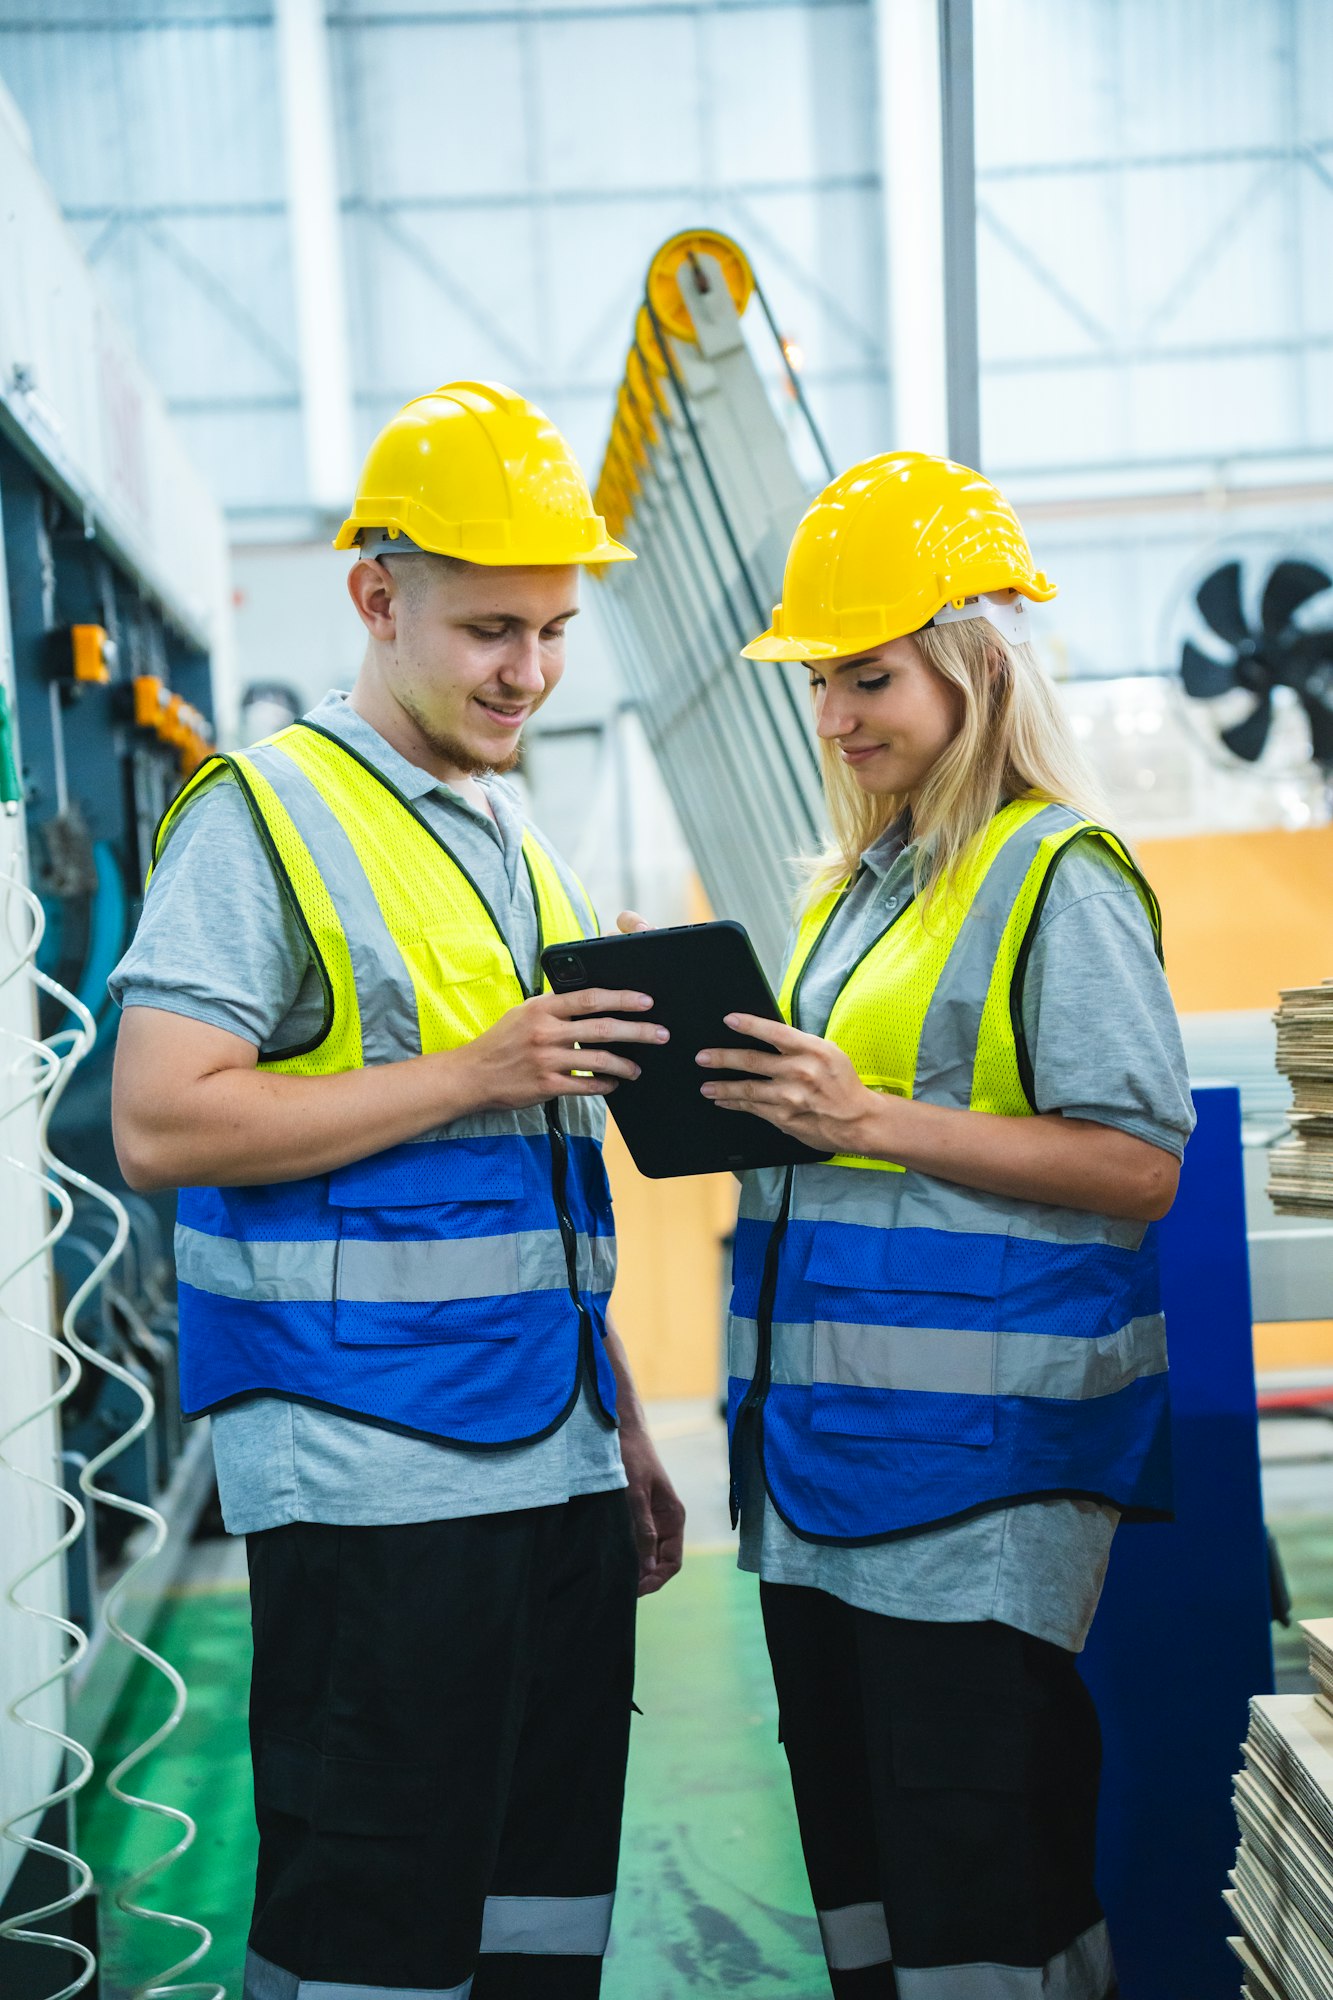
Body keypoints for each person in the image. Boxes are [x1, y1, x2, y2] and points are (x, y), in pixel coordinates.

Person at [109, 380, 685, 2000]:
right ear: (375, 596)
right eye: (492, 630)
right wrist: (473, 1069)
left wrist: (620, 1429)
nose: (532, 672)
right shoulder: (265, 814)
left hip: (547, 1459)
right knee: (380, 1922)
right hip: (376, 1479)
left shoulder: (510, 837)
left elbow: (534, 1181)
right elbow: (159, 1123)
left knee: (538, 1914)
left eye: (557, 630)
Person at [695, 452, 1194, 1998]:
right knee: (866, 1884)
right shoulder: (860, 885)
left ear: (971, 666)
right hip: (824, 1466)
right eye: (820, 685)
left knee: (980, 1875)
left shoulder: (1057, 872)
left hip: (978, 1476)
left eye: (867, 677)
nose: (838, 717)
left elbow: (1134, 1164)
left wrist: (864, 1119)